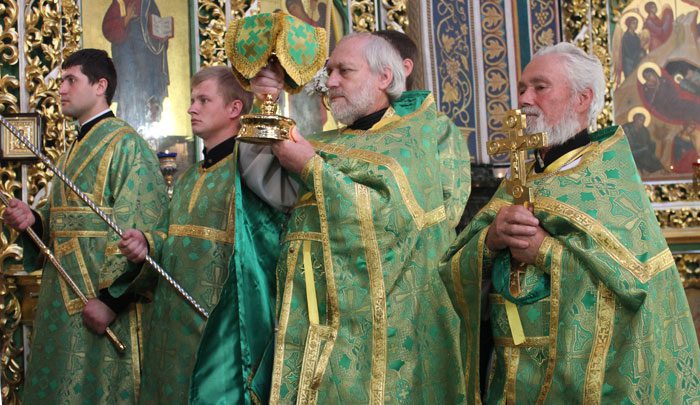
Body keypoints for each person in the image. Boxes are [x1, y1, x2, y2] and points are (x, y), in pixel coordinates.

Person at [440, 42, 700, 403]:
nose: (524, 99)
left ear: (582, 98)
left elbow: (632, 288)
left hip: (576, 380)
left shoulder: (607, 179)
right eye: (522, 88)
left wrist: (546, 252)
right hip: (510, 378)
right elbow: (454, 269)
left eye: (540, 87)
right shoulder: (520, 178)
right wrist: (492, 238)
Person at [250, 32, 472, 403]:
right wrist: (264, 104)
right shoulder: (326, 142)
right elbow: (265, 193)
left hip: (387, 322)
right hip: (313, 316)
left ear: (385, 77)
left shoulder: (418, 136)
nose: (331, 81)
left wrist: (311, 168)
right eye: (329, 71)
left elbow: (397, 219)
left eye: (345, 71)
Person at [2, 48, 169, 403]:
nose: (61, 89)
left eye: (70, 80)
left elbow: (141, 227)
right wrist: (34, 219)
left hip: (99, 301)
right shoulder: (70, 152)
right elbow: (60, 217)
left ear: (100, 86)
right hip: (62, 298)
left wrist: (110, 301)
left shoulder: (127, 145)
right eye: (61, 81)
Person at [118, 66, 289, 404]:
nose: (191, 108)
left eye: (203, 100)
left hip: (222, 327)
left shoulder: (251, 173)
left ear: (234, 108)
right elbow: (172, 239)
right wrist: (147, 243)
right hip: (171, 324)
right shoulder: (188, 177)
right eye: (192, 100)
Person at [102, 0, 170, 131]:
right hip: (126, 56)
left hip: (147, 58)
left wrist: (162, 34)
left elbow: (156, 26)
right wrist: (125, 20)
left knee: (147, 86)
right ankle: (127, 121)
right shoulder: (120, 3)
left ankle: (150, 121)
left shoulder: (148, 3)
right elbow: (108, 29)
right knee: (128, 89)